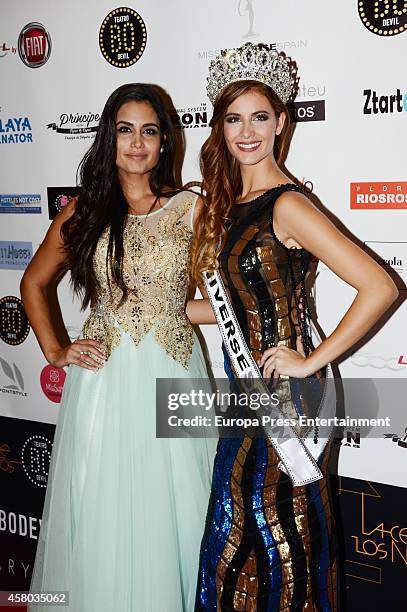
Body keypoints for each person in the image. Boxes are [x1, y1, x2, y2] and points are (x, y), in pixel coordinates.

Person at [190, 43, 398, 611]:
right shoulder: (230, 202)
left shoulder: (287, 205)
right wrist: (177, 311)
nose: (247, 131)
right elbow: (237, 302)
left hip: (289, 400)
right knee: (240, 538)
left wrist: (309, 360)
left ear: (282, 122)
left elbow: (380, 286)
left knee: (284, 541)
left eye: (260, 116)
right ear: (220, 126)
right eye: (234, 118)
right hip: (245, 397)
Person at [21, 83, 215, 612]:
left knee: (178, 514)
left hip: (175, 373)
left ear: (164, 142)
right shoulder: (85, 210)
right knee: (107, 513)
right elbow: (33, 283)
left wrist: (176, 311)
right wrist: (57, 351)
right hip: (105, 379)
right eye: (125, 130)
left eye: (149, 131)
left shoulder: (191, 207)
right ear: (109, 138)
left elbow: (220, 299)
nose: (136, 143)